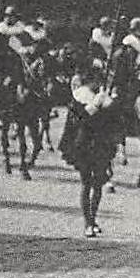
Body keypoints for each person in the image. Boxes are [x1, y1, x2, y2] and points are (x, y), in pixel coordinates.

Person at [58, 63, 119, 237]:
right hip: (83, 146)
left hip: (101, 146)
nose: (97, 84)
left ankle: (93, 218)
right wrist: (94, 106)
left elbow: (113, 121)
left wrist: (108, 103)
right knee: (86, 184)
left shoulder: (104, 98)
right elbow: (78, 120)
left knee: (98, 184)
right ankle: (87, 222)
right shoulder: (78, 98)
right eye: (95, 80)